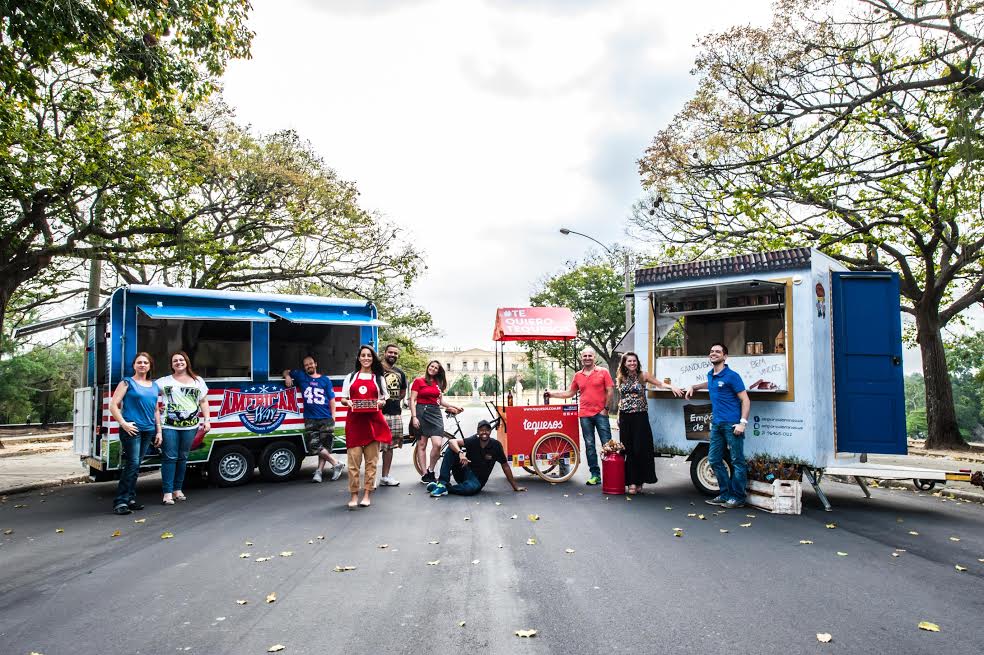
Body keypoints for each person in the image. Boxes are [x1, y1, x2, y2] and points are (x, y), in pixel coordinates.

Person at [685, 343, 751, 509]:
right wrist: (694, 386)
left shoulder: (732, 376)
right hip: (717, 425)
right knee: (714, 459)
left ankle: (738, 497)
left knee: (737, 461)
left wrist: (742, 423)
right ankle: (725, 494)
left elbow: (745, 400)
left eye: (718, 351)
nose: (713, 353)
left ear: (725, 356)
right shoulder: (711, 375)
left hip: (732, 425)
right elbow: (709, 384)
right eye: (712, 351)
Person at [545, 347, 614, 486]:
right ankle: (595, 475)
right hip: (584, 415)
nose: (587, 358)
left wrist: (606, 409)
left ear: (594, 357)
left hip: (601, 413)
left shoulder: (603, 372)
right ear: (581, 358)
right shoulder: (578, 375)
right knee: (589, 445)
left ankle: (612, 474)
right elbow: (570, 393)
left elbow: (610, 391)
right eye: (585, 356)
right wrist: (552, 394)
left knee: (608, 445)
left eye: (590, 356)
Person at [616, 352, 683, 494]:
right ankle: (631, 482)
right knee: (628, 449)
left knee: (640, 449)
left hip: (640, 417)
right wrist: (618, 415)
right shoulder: (621, 377)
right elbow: (622, 398)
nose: (632, 363)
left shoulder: (643, 375)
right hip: (625, 417)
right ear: (624, 363)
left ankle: (639, 481)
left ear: (637, 362)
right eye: (629, 361)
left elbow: (659, 383)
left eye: (634, 361)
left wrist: (672, 387)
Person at [338, 345, 392, 509]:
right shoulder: (351, 377)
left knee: (371, 462)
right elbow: (343, 398)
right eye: (363, 355)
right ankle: (354, 495)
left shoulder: (378, 379)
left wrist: (381, 402)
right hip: (354, 423)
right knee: (353, 463)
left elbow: (384, 398)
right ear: (359, 358)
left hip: (373, 423)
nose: (366, 358)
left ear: (373, 358)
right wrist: (349, 402)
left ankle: (367, 494)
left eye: (369, 355)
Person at [108, 352, 162, 515]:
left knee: (136, 465)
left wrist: (158, 430)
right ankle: (121, 502)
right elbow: (113, 405)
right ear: (134, 365)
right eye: (139, 362)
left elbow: (155, 408)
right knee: (132, 464)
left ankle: (130, 499)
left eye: (145, 362)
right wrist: (123, 423)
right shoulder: (127, 382)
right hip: (132, 430)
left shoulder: (153, 385)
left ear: (150, 366)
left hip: (148, 430)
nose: (142, 365)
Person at [158, 351, 210, 505]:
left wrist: (207, 420)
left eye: (181, 360)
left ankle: (177, 490)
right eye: (175, 361)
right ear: (171, 364)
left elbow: (203, 402)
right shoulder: (163, 381)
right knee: (169, 457)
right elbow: (149, 394)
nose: (178, 362)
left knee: (182, 458)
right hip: (169, 426)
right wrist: (157, 408)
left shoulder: (197, 381)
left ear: (186, 362)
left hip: (190, 426)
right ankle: (167, 493)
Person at [284, 354, 344, 483]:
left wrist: (333, 416)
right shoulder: (301, 376)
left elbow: (332, 399)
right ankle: (336, 463)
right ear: (304, 367)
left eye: (310, 363)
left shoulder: (325, 380)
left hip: (326, 417)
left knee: (325, 447)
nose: (309, 366)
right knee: (314, 446)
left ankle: (319, 472)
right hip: (310, 418)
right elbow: (286, 371)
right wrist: (288, 376)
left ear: (315, 364)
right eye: (306, 365)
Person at [428, 420, 526, 497]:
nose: (484, 432)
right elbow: (452, 442)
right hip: (464, 472)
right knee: (451, 449)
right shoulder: (474, 440)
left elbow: (505, 466)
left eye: (487, 430)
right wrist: (460, 453)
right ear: (478, 431)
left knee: (470, 489)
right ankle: (442, 483)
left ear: (490, 431)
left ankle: (445, 488)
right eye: (482, 430)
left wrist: (515, 486)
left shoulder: (496, 446)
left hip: (477, 481)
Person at [409, 360, 463, 483]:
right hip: (421, 412)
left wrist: (454, 406)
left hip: (435, 414)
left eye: (436, 368)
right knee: (421, 445)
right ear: (428, 367)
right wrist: (414, 417)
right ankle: (425, 474)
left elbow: (441, 402)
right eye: (431, 366)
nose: (433, 369)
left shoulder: (438, 383)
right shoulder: (419, 381)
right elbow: (412, 400)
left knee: (437, 444)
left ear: (438, 371)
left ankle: (431, 470)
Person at [379, 343, 408, 487]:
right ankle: (369, 478)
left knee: (389, 447)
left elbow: (402, 392)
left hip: (394, 413)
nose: (393, 355)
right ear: (385, 353)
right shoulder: (376, 369)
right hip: (377, 413)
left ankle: (385, 477)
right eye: (390, 352)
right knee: (372, 446)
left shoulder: (400, 373)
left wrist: (392, 401)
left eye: (395, 353)